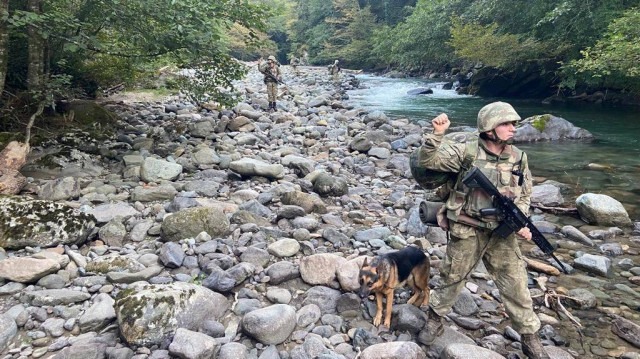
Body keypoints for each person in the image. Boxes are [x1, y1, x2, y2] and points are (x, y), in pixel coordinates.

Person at [418, 102, 550, 359]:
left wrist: (521, 221)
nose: (513, 128)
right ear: (489, 128)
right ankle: (434, 319)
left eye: (513, 124)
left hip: (502, 231)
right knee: (452, 277)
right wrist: (437, 135)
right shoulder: (465, 152)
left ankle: (530, 337)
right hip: (467, 227)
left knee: (516, 284)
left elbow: (524, 193)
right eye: (506, 124)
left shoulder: (518, 157)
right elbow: (428, 160)